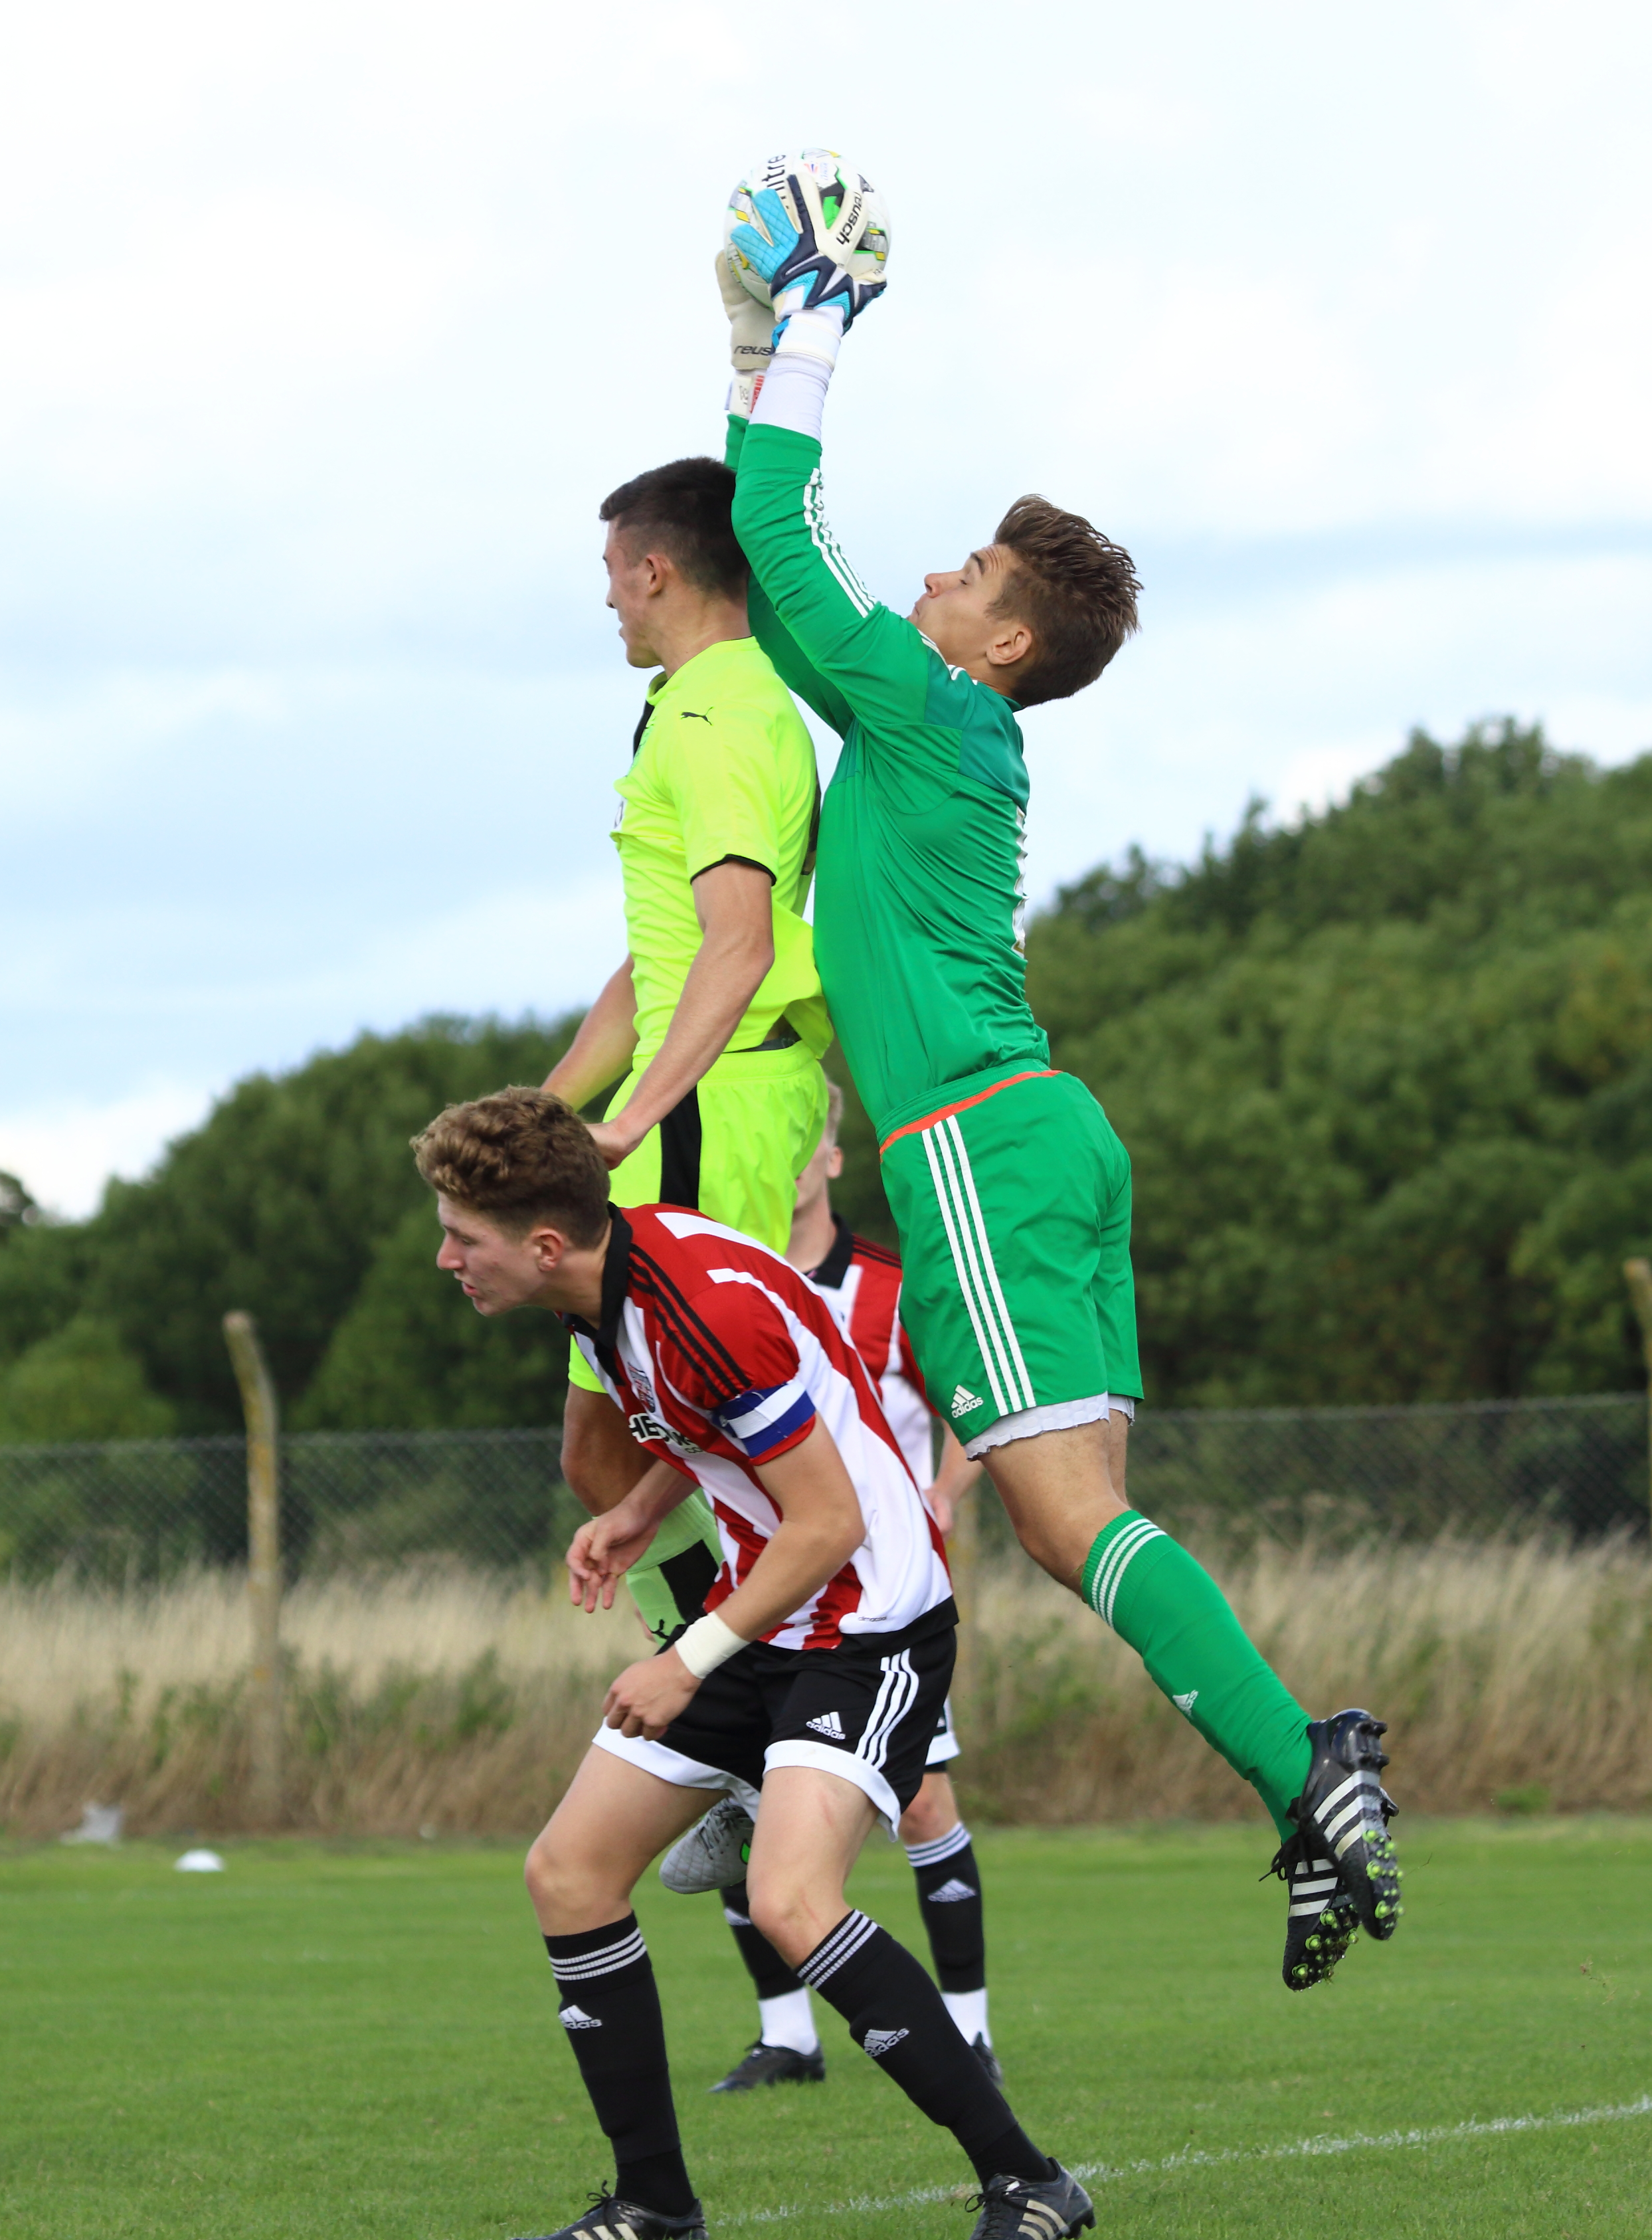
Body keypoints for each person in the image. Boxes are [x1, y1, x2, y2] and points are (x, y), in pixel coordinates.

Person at [710, 163, 1401, 1992]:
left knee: (1057, 1516)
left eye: (967, 575)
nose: (930, 576)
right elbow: (783, 602)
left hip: (971, 1154)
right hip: (1047, 1139)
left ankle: (1305, 1759)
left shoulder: (936, 707)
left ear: (1005, 641)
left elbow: (781, 546)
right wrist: (745, 344)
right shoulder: (939, 720)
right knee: (1078, 1500)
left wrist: (822, 326)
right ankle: (1292, 1785)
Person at [416, 1085, 1089, 2240]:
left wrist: (689, 1660)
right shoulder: (607, 1287)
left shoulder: (696, 1303)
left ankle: (1030, 2182)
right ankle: (655, 2205)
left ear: (539, 1242)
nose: (444, 1259)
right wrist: (635, 1510)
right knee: (570, 1874)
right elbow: (718, 1431)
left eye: (461, 1238)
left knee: (789, 1903)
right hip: (770, 1609)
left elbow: (825, 1520)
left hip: (865, 1621)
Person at [539, 458, 836, 1650]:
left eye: (611, 575)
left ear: (653, 570)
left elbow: (740, 945)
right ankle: (730, 1700)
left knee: (716, 1445)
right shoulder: (699, 701)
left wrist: (627, 1122)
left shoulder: (716, 719)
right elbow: (652, 964)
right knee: (605, 1452)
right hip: (681, 1107)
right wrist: (541, 1116)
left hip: (705, 1116)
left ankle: (769, 1685)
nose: (608, 599)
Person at [689, 1095, 996, 2092]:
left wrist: (944, 1497)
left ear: (827, 1154)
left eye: (795, 1140)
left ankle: (970, 2032)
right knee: (739, 1797)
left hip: (876, 1600)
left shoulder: (890, 1293)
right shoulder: (720, 1290)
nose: (778, 1162)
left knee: (924, 1805)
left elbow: (972, 1400)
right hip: (763, 1592)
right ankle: (789, 2037)